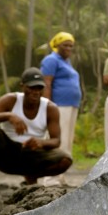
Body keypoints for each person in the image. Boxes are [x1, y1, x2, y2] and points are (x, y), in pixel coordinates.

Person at [0, 67, 72, 185]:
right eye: (31, 87)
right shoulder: (11, 100)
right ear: (22, 86)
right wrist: (8, 116)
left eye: (39, 88)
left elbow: (56, 141)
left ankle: (31, 177)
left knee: (65, 160)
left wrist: (40, 142)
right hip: (7, 152)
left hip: (32, 153)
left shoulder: (50, 108)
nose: (35, 92)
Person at [40, 31, 81, 186]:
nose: (69, 48)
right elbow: (47, 83)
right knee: (56, 140)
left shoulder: (66, 62)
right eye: (65, 45)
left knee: (66, 142)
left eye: (71, 46)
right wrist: (48, 105)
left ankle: (60, 176)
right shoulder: (51, 60)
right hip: (58, 106)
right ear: (56, 45)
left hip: (70, 106)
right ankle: (50, 179)